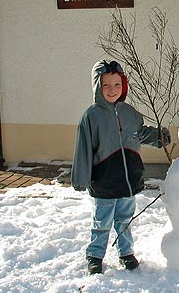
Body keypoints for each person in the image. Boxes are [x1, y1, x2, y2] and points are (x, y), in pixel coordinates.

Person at [71, 60, 170, 275]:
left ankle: (126, 252)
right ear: (97, 86)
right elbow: (84, 148)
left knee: (125, 218)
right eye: (106, 85)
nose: (112, 90)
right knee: (102, 220)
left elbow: (140, 133)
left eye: (117, 84)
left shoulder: (130, 113)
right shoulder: (91, 116)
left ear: (123, 85)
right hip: (104, 180)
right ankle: (95, 255)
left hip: (128, 179)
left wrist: (159, 137)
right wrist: (80, 177)